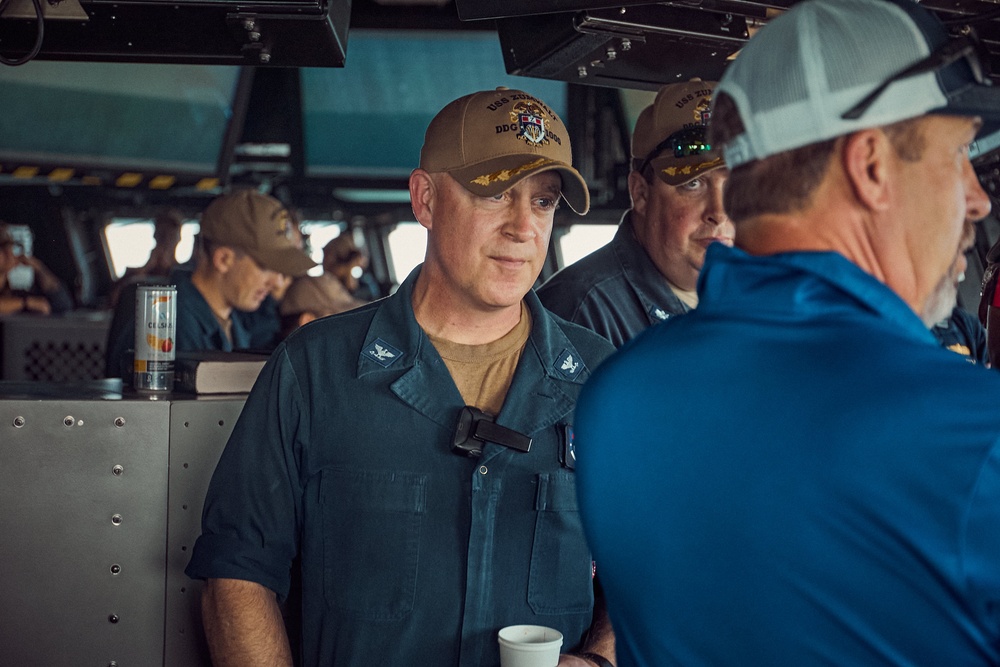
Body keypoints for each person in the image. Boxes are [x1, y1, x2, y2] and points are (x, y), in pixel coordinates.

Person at [574, 0, 1000, 664]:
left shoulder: (617, 399)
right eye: (958, 152)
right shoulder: (972, 434)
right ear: (872, 166)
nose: (977, 197)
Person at [186, 87, 617, 667]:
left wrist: (600, 660)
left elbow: (650, 566)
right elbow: (237, 573)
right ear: (425, 199)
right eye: (496, 194)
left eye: (543, 202)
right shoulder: (314, 371)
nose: (523, 227)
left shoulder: (604, 380)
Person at [537, 80, 732, 347]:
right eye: (693, 183)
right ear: (640, 193)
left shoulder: (757, 297)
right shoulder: (579, 310)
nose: (720, 213)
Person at [105, 190, 314, 377]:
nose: (277, 282)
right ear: (223, 259)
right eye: (265, 267)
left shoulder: (233, 321)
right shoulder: (168, 327)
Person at [0, 222, 73, 315]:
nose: (9, 252)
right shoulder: (23, 302)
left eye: (11, 245)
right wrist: (26, 303)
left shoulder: (15, 294)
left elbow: (62, 304)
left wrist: (39, 268)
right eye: (2, 246)